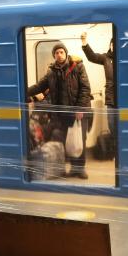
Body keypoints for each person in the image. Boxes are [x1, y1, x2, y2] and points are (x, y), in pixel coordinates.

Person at [27, 43, 92, 178]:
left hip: (79, 110)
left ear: (66, 53)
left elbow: (85, 88)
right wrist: (22, 91)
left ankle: (79, 168)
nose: (59, 54)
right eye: (56, 53)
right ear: (54, 56)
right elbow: (39, 86)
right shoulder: (51, 71)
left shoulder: (77, 66)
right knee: (67, 139)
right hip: (63, 113)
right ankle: (70, 168)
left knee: (80, 139)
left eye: (61, 52)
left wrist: (79, 109)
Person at [81, 32, 118, 153]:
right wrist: (84, 42)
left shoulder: (126, 59)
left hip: (126, 99)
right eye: (112, 44)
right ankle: (116, 152)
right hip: (112, 99)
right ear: (110, 45)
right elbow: (92, 57)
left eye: (116, 44)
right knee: (112, 126)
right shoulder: (106, 58)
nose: (114, 46)